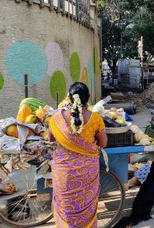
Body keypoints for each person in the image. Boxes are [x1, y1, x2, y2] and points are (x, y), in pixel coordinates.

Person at [49, 82, 107, 227]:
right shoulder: (95, 119)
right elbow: (103, 144)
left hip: (63, 173)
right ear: (87, 99)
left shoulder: (55, 118)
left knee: (64, 209)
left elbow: (51, 140)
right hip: (87, 172)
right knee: (87, 211)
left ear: (69, 98)